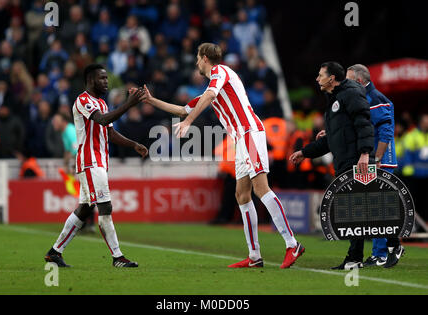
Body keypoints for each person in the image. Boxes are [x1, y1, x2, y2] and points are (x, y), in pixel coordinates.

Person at [144, 43, 305, 269]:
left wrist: (189, 122)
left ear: (206, 58)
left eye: (198, 58)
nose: (196, 63)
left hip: (249, 132)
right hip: (240, 139)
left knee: (261, 188)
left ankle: (292, 244)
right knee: (242, 194)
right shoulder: (213, 86)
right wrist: (151, 101)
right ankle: (254, 256)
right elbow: (183, 109)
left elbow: (207, 98)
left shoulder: (221, 72)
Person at [45, 64, 148, 268]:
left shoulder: (101, 102)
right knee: (105, 206)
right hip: (90, 161)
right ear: (91, 80)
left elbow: (108, 132)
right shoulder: (83, 100)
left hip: (99, 161)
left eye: (107, 78)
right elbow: (101, 120)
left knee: (84, 209)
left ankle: (54, 252)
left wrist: (133, 144)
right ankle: (118, 257)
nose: (106, 82)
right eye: (102, 78)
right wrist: (128, 105)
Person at [289, 61, 374, 270]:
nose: (317, 79)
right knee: (354, 211)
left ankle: (363, 256)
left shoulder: (351, 94)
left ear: (332, 78)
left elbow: (364, 124)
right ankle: (356, 257)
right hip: (345, 161)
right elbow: (332, 140)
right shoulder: (334, 98)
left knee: (358, 210)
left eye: (321, 75)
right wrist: (305, 152)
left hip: (356, 160)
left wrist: (365, 154)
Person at [345, 64, 403, 268]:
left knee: (377, 208)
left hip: (380, 160)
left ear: (359, 82)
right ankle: (388, 248)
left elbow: (386, 132)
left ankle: (383, 251)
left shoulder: (376, 99)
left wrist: (377, 159)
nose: (346, 84)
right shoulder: (363, 99)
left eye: (349, 80)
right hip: (370, 158)